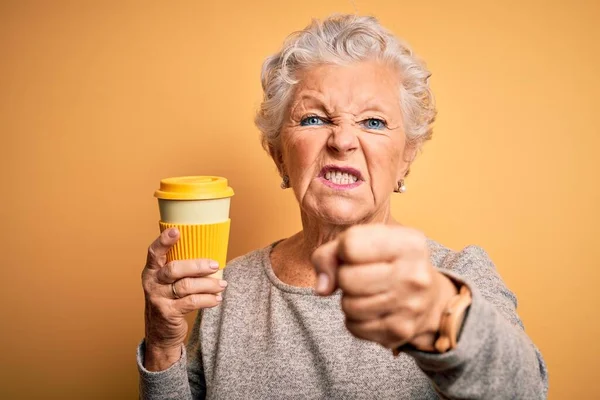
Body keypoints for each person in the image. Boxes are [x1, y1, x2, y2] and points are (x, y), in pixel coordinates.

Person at [137, 14, 548, 399]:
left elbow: (527, 389)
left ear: (407, 156)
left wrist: (442, 315)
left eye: (373, 122)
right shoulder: (226, 290)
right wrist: (161, 344)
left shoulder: (457, 275)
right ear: (279, 155)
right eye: (314, 119)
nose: (342, 141)